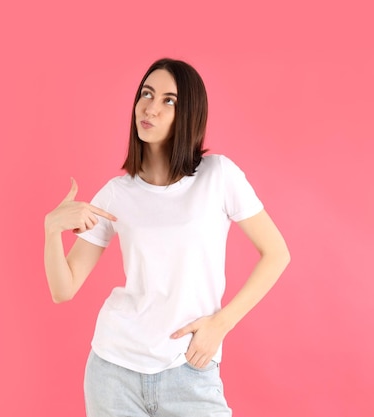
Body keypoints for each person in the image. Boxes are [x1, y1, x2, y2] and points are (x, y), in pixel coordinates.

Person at [43, 58, 290, 417]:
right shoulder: (117, 194)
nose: (151, 108)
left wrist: (221, 324)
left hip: (190, 370)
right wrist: (52, 230)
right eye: (147, 94)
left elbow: (277, 253)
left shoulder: (218, 176)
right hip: (114, 371)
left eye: (168, 100)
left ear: (187, 113)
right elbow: (62, 290)